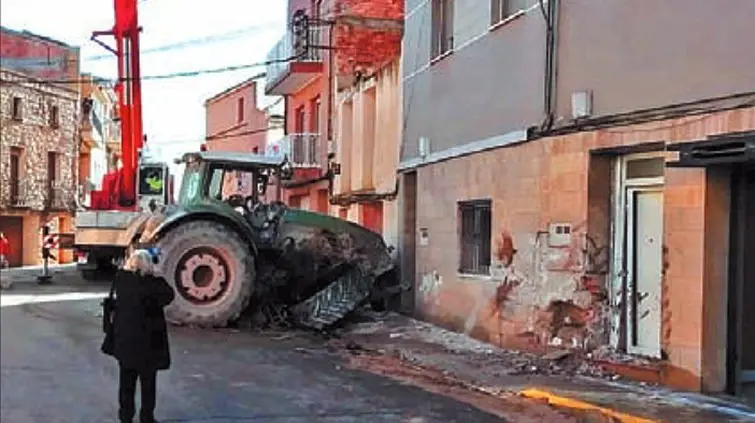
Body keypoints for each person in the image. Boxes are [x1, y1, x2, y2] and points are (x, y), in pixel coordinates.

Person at [108, 249, 175, 423]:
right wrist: (156, 274)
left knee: (126, 383)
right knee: (148, 384)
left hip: (125, 341)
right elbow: (169, 295)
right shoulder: (154, 284)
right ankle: (147, 417)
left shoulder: (122, 280)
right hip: (148, 344)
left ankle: (125, 416)